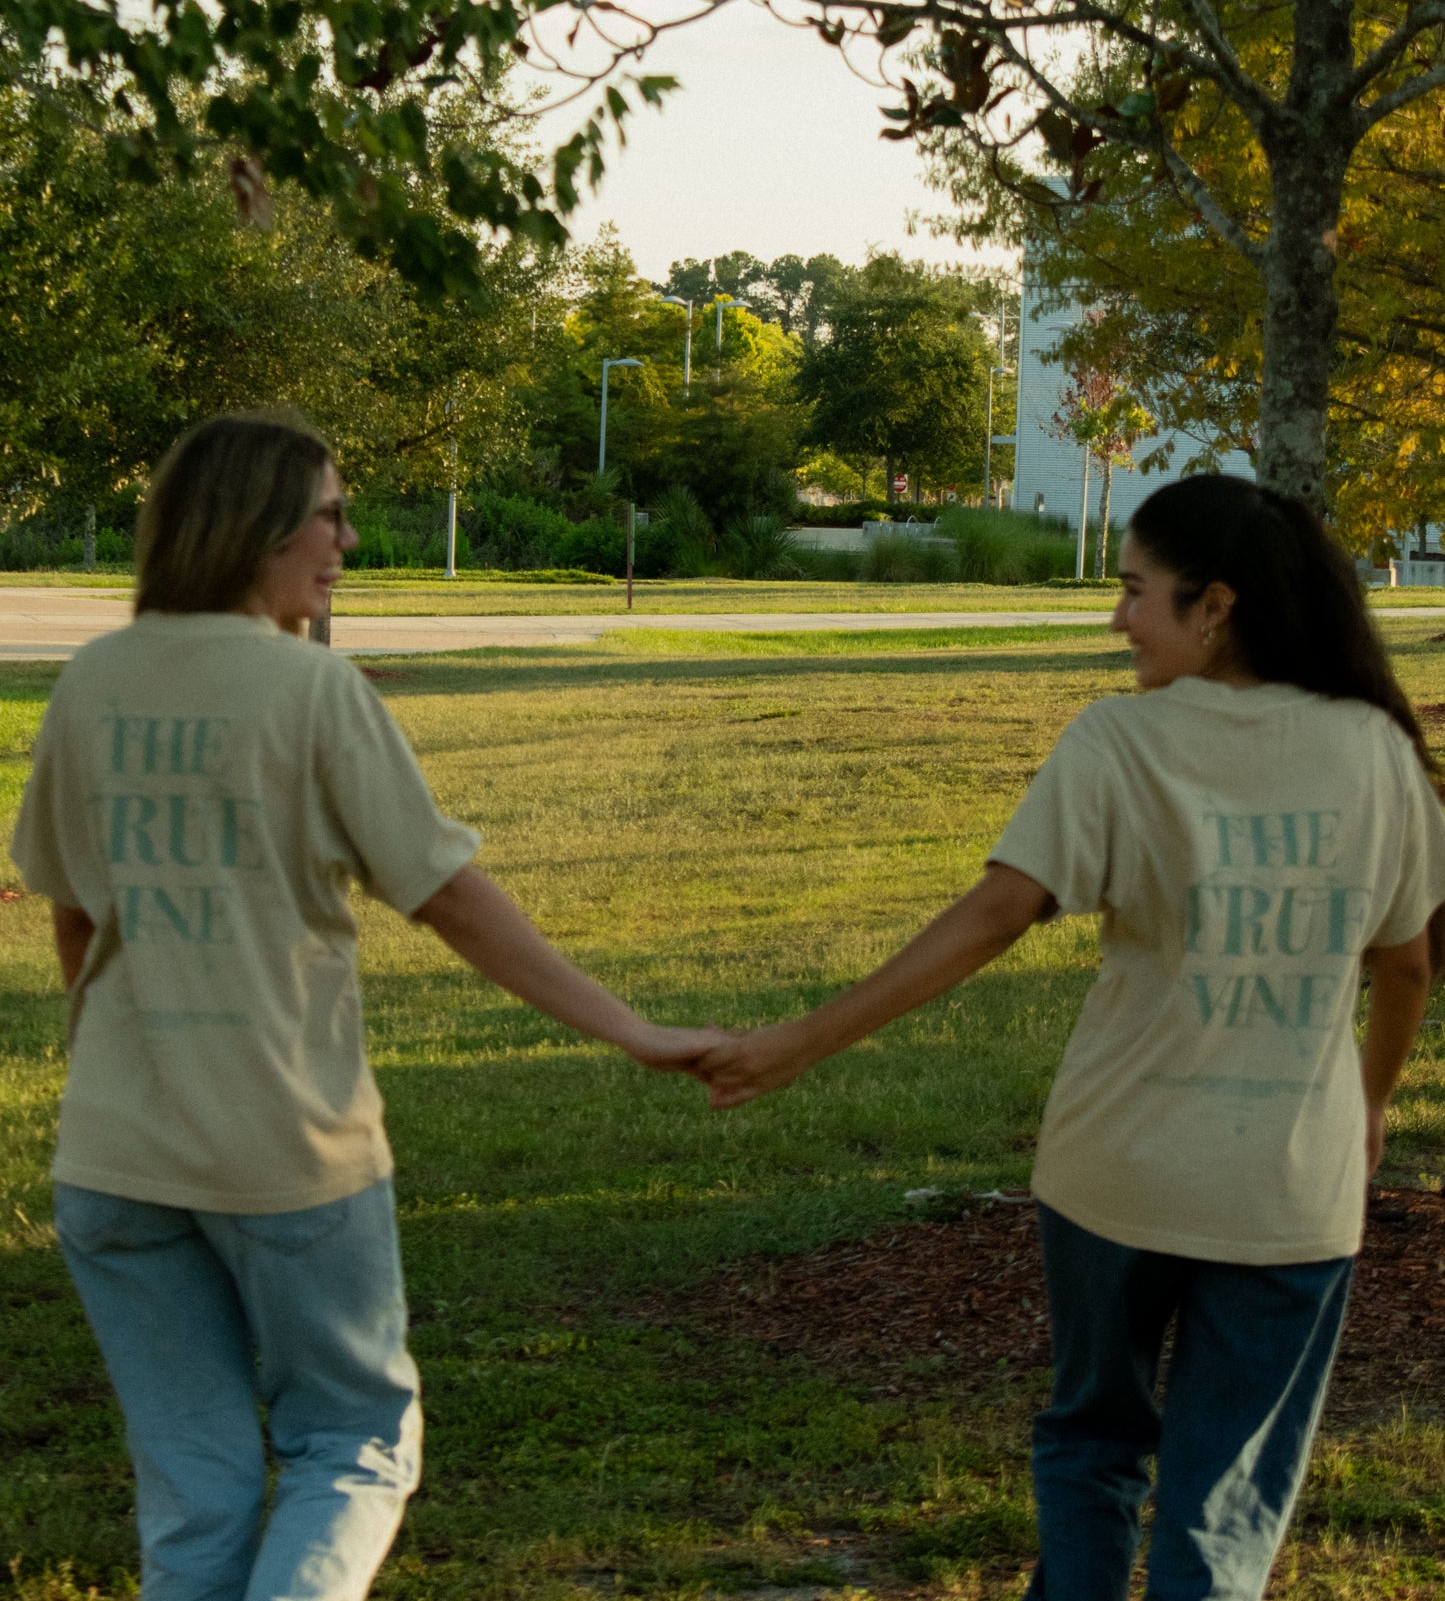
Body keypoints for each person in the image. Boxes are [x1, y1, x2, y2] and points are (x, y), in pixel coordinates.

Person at [696, 477, 1445, 1601]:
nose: (1116, 618)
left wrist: (802, 1039)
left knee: (1093, 1438)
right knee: (1223, 1504)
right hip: (1290, 1187)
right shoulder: (1376, 749)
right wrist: (1371, 1101)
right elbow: (1404, 963)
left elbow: (997, 913)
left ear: (1214, 605)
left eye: (1133, 590)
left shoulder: (1118, 738)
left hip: (1114, 1171)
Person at [13, 411, 716, 1601]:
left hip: (115, 1151)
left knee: (196, 1488)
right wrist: (632, 1028)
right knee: (355, 1445)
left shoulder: (95, 678)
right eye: (328, 513)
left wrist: (112, 1063)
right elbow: (447, 895)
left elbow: (73, 911)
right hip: (290, 1147)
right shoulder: (308, 688)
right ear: (255, 528)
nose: (346, 537)